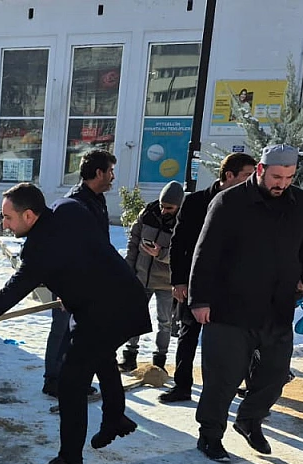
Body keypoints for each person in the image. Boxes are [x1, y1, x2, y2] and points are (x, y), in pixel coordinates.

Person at [0, 182, 149, 464]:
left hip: (107, 311)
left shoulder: (39, 250)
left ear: (30, 216)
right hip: (120, 297)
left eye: (8, 218)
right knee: (96, 353)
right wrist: (72, 285)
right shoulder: (68, 207)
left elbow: (6, 298)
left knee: (71, 383)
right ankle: (114, 416)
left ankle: (70, 462)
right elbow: (89, 250)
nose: (3, 224)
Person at [188, 144, 303, 462]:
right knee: (223, 378)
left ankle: (250, 420)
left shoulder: (299, 203)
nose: (282, 183)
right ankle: (209, 435)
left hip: (277, 308)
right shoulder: (229, 202)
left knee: (276, 374)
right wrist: (199, 299)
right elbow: (205, 253)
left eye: (289, 177)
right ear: (261, 170)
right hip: (229, 309)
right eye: (276, 176)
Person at [160, 152, 256, 403]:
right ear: (229, 176)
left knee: (238, 337)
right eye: (247, 175)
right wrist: (178, 280)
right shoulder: (195, 203)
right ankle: (182, 386)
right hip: (195, 282)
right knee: (187, 334)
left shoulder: (251, 203)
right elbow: (178, 243)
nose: (253, 180)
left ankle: (249, 386)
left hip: (235, 285)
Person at [43, 149, 116, 397]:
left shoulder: (96, 200)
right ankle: (53, 380)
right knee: (63, 330)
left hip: (91, 281)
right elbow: (60, 250)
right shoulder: (74, 204)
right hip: (71, 282)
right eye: (110, 171)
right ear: (99, 173)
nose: (113, 177)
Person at [121, 181, 181, 372]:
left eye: (169, 208)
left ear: (179, 205)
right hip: (141, 276)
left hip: (165, 282)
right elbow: (133, 241)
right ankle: (130, 356)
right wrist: (129, 269)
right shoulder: (148, 213)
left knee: (165, 322)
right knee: (134, 317)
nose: (164, 211)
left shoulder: (184, 221)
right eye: (162, 206)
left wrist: (161, 254)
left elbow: (185, 254)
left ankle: (159, 361)